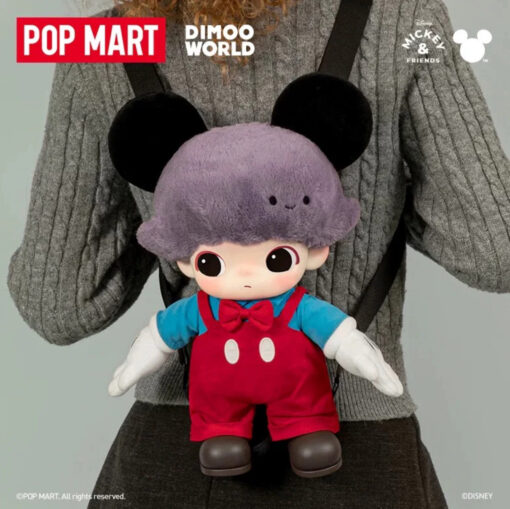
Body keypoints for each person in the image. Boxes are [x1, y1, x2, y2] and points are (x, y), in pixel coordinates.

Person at [7, 0, 509, 507]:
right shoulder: (402, 18)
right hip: (357, 450)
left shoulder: (101, 44)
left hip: (180, 453)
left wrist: (171, 225)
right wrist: (381, 199)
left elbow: (57, 306)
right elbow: (495, 251)